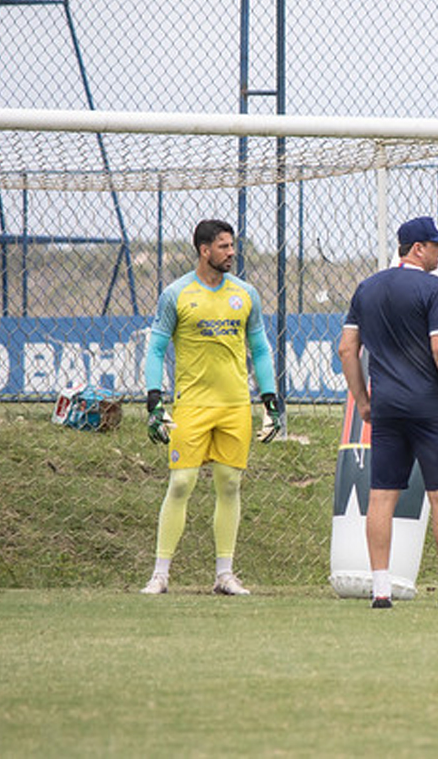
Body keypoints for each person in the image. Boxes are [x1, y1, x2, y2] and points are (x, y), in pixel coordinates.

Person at [139, 219, 282, 595]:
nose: (231, 253)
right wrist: (154, 399)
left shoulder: (246, 293)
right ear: (204, 250)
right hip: (192, 404)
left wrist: (270, 399)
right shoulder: (176, 294)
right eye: (223, 247)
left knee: (230, 484)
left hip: (236, 404)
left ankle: (225, 575)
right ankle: (160, 574)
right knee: (182, 482)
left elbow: (261, 348)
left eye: (232, 246)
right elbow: (155, 349)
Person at [338, 215, 438, 609]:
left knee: (381, 497)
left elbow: (347, 349)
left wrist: (363, 401)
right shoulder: (434, 288)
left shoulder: (367, 288)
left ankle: (380, 590)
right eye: (436, 245)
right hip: (430, 407)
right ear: (418, 248)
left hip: (387, 408)